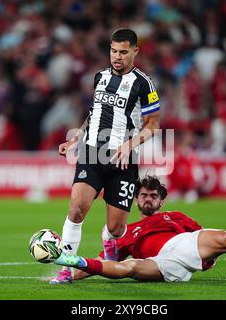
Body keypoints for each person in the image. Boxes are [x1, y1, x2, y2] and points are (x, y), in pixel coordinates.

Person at [51, 28, 161, 284]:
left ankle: (108, 243)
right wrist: (75, 138)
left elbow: (153, 124)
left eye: (123, 52)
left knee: (116, 228)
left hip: (123, 162)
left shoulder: (143, 83)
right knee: (76, 209)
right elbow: (95, 114)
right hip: (92, 153)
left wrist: (130, 144)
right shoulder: (99, 77)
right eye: (113, 51)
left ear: (135, 51)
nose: (117, 57)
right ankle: (67, 268)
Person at [49, 175, 226, 284]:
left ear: (161, 201)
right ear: (136, 200)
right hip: (161, 264)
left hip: (183, 245)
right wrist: (75, 274)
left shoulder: (177, 217)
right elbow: (106, 260)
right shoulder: (126, 231)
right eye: (143, 195)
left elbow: (210, 244)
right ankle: (71, 264)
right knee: (130, 268)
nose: (148, 199)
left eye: (153, 196)